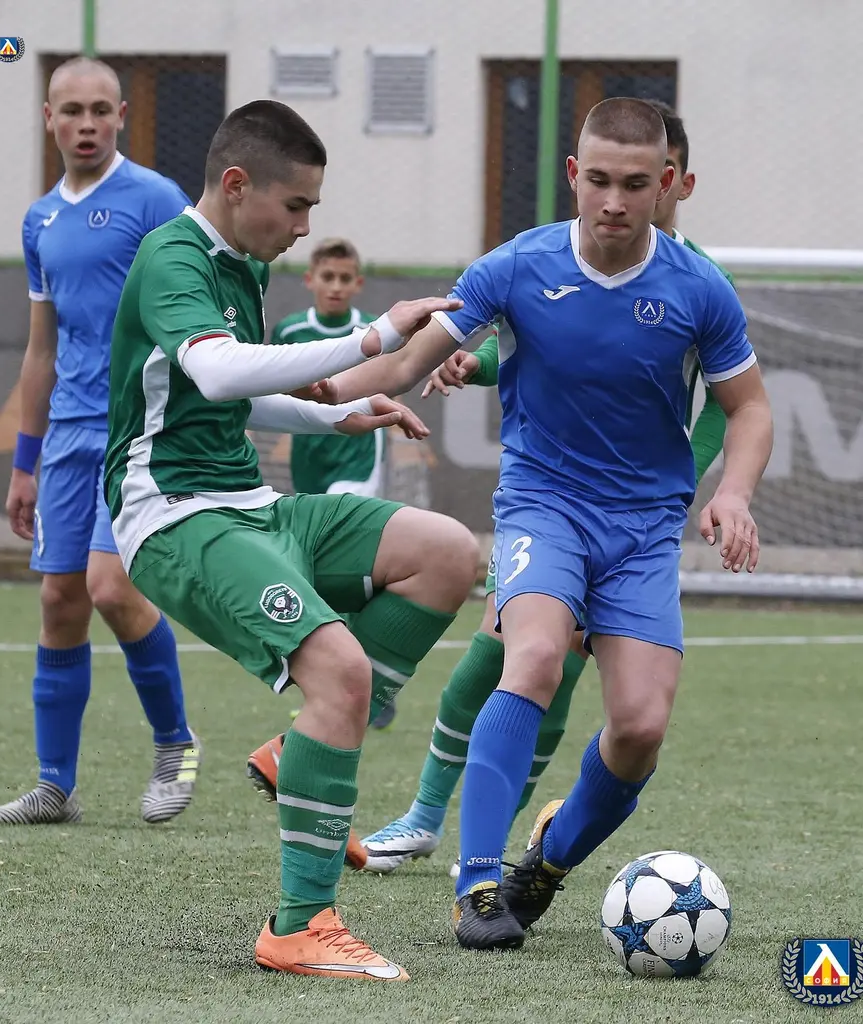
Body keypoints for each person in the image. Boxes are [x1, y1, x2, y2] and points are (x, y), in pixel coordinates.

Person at [321, 96, 773, 950]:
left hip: (643, 526)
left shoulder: (697, 287)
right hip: (543, 505)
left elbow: (747, 407)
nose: (613, 200)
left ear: (665, 183)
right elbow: (407, 360)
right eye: (597, 179)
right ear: (572, 174)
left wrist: (734, 492)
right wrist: (308, 388)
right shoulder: (516, 265)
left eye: (633, 184)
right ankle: (476, 884)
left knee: (638, 728)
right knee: (530, 656)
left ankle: (546, 864)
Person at [103, 98, 479, 980]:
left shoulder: (240, 265)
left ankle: (297, 753)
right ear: (237, 185)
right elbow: (214, 370)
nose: (306, 226)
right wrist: (370, 338)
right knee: (341, 673)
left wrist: (337, 414)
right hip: (176, 517)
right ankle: (299, 925)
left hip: (251, 503)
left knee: (448, 553)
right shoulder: (174, 256)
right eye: (297, 204)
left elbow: (223, 396)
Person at [0, 57, 199, 827]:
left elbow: (200, 302)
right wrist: (25, 462)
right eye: (71, 110)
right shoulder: (40, 219)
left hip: (138, 425)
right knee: (59, 599)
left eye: (99, 110)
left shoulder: (156, 200)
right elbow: (41, 349)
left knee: (112, 588)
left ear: (121, 117)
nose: (85, 124)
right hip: (67, 434)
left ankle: (176, 744)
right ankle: (54, 787)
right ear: (48, 117)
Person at [252, 237, 396, 730]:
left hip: (357, 458)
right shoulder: (292, 330)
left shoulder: (371, 332)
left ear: (358, 284)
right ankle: (359, 675)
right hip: (310, 454)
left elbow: (394, 374)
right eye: (327, 277)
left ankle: (355, 682)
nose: (335, 286)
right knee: (324, 568)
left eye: (344, 278)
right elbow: (270, 382)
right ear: (310, 280)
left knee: (340, 554)